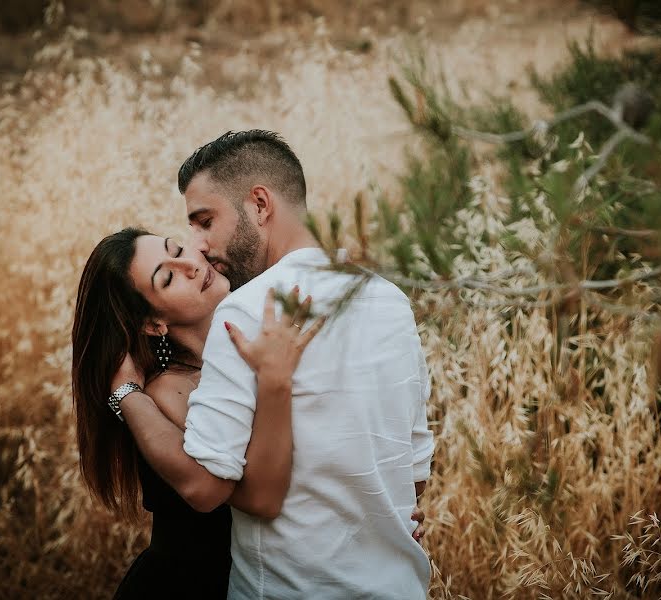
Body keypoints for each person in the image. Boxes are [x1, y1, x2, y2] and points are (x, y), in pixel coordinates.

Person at [112, 130, 435, 598]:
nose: (198, 246)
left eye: (204, 222)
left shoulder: (246, 311)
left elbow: (209, 486)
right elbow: (415, 476)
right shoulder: (390, 299)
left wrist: (123, 393)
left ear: (260, 205)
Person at [71, 227, 325, 598]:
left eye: (178, 249)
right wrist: (126, 393)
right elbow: (260, 495)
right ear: (154, 324)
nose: (190, 264)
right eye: (168, 277)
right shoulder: (169, 392)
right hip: (191, 587)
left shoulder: (261, 346)